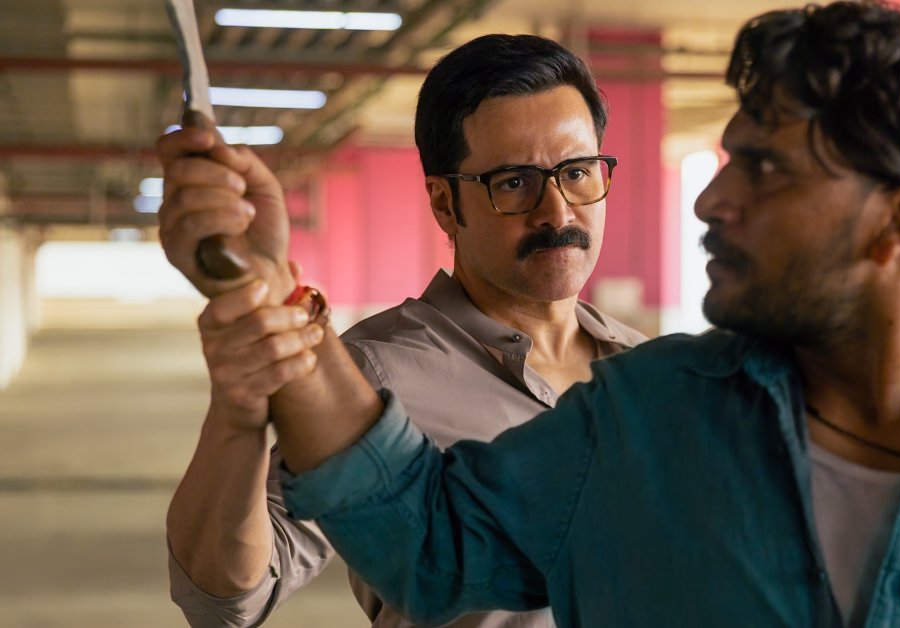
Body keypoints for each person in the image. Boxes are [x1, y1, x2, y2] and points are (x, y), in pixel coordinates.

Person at [162, 2, 900, 626]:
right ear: (448, 202)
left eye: (765, 169)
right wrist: (264, 283)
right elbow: (420, 539)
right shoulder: (644, 419)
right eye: (515, 183)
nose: (711, 201)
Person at [158, 34, 644, 628]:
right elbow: (226, 597)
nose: (557, 211)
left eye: (577, 172)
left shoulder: (650, 371)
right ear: (444, 204)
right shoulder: (371, 374)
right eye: (514, 183)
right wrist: (239, 412)